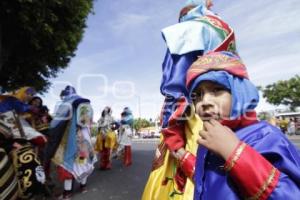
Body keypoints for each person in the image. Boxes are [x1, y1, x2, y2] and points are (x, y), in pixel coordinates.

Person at [143, 0, 237, 199]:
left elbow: (176, 91)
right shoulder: (224, 30)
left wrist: (176, 144)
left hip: (193, 117)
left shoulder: (186, 32)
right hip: (228, 111)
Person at [184, 51, 300, 199]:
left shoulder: (268, 137)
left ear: (240, 92)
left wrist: (235, 152)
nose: (204, 102)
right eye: (197, 95)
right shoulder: (207, 138)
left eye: (217, 89)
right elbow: (206, 183)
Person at [44, 86, 96, 200]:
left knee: (67, 163)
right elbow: (89, 122)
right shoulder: (87, 105)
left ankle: (67, 193)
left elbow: (55, 124)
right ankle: (83, 187)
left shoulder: (67, 103)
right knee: (84, 162)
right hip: (85, 138)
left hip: (71, 138)